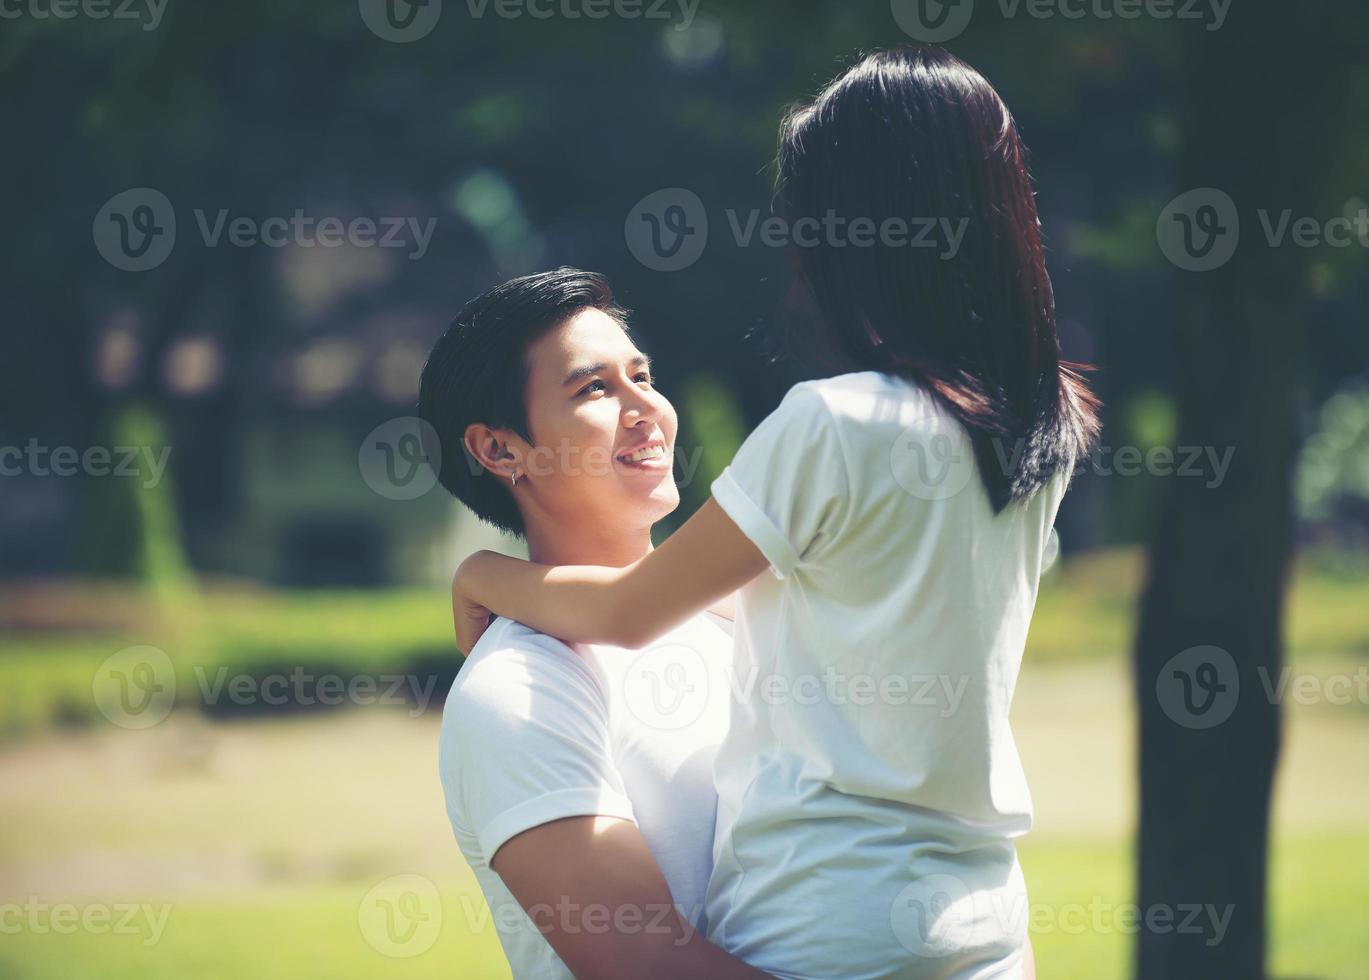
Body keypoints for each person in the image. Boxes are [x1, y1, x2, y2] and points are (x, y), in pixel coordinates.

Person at [450, 47, 1097, 978]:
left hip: (826, 929)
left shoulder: (833, 423)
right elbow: (803, 611)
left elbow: (632, 613)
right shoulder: (1042, 425)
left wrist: (482, 575)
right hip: (984, 927)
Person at [421, 268, 769, 978]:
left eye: (643, 377)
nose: (647, 409)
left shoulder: (746, 617)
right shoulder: (518, 691)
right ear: (499, 450)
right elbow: (650, 966)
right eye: (595, 389)